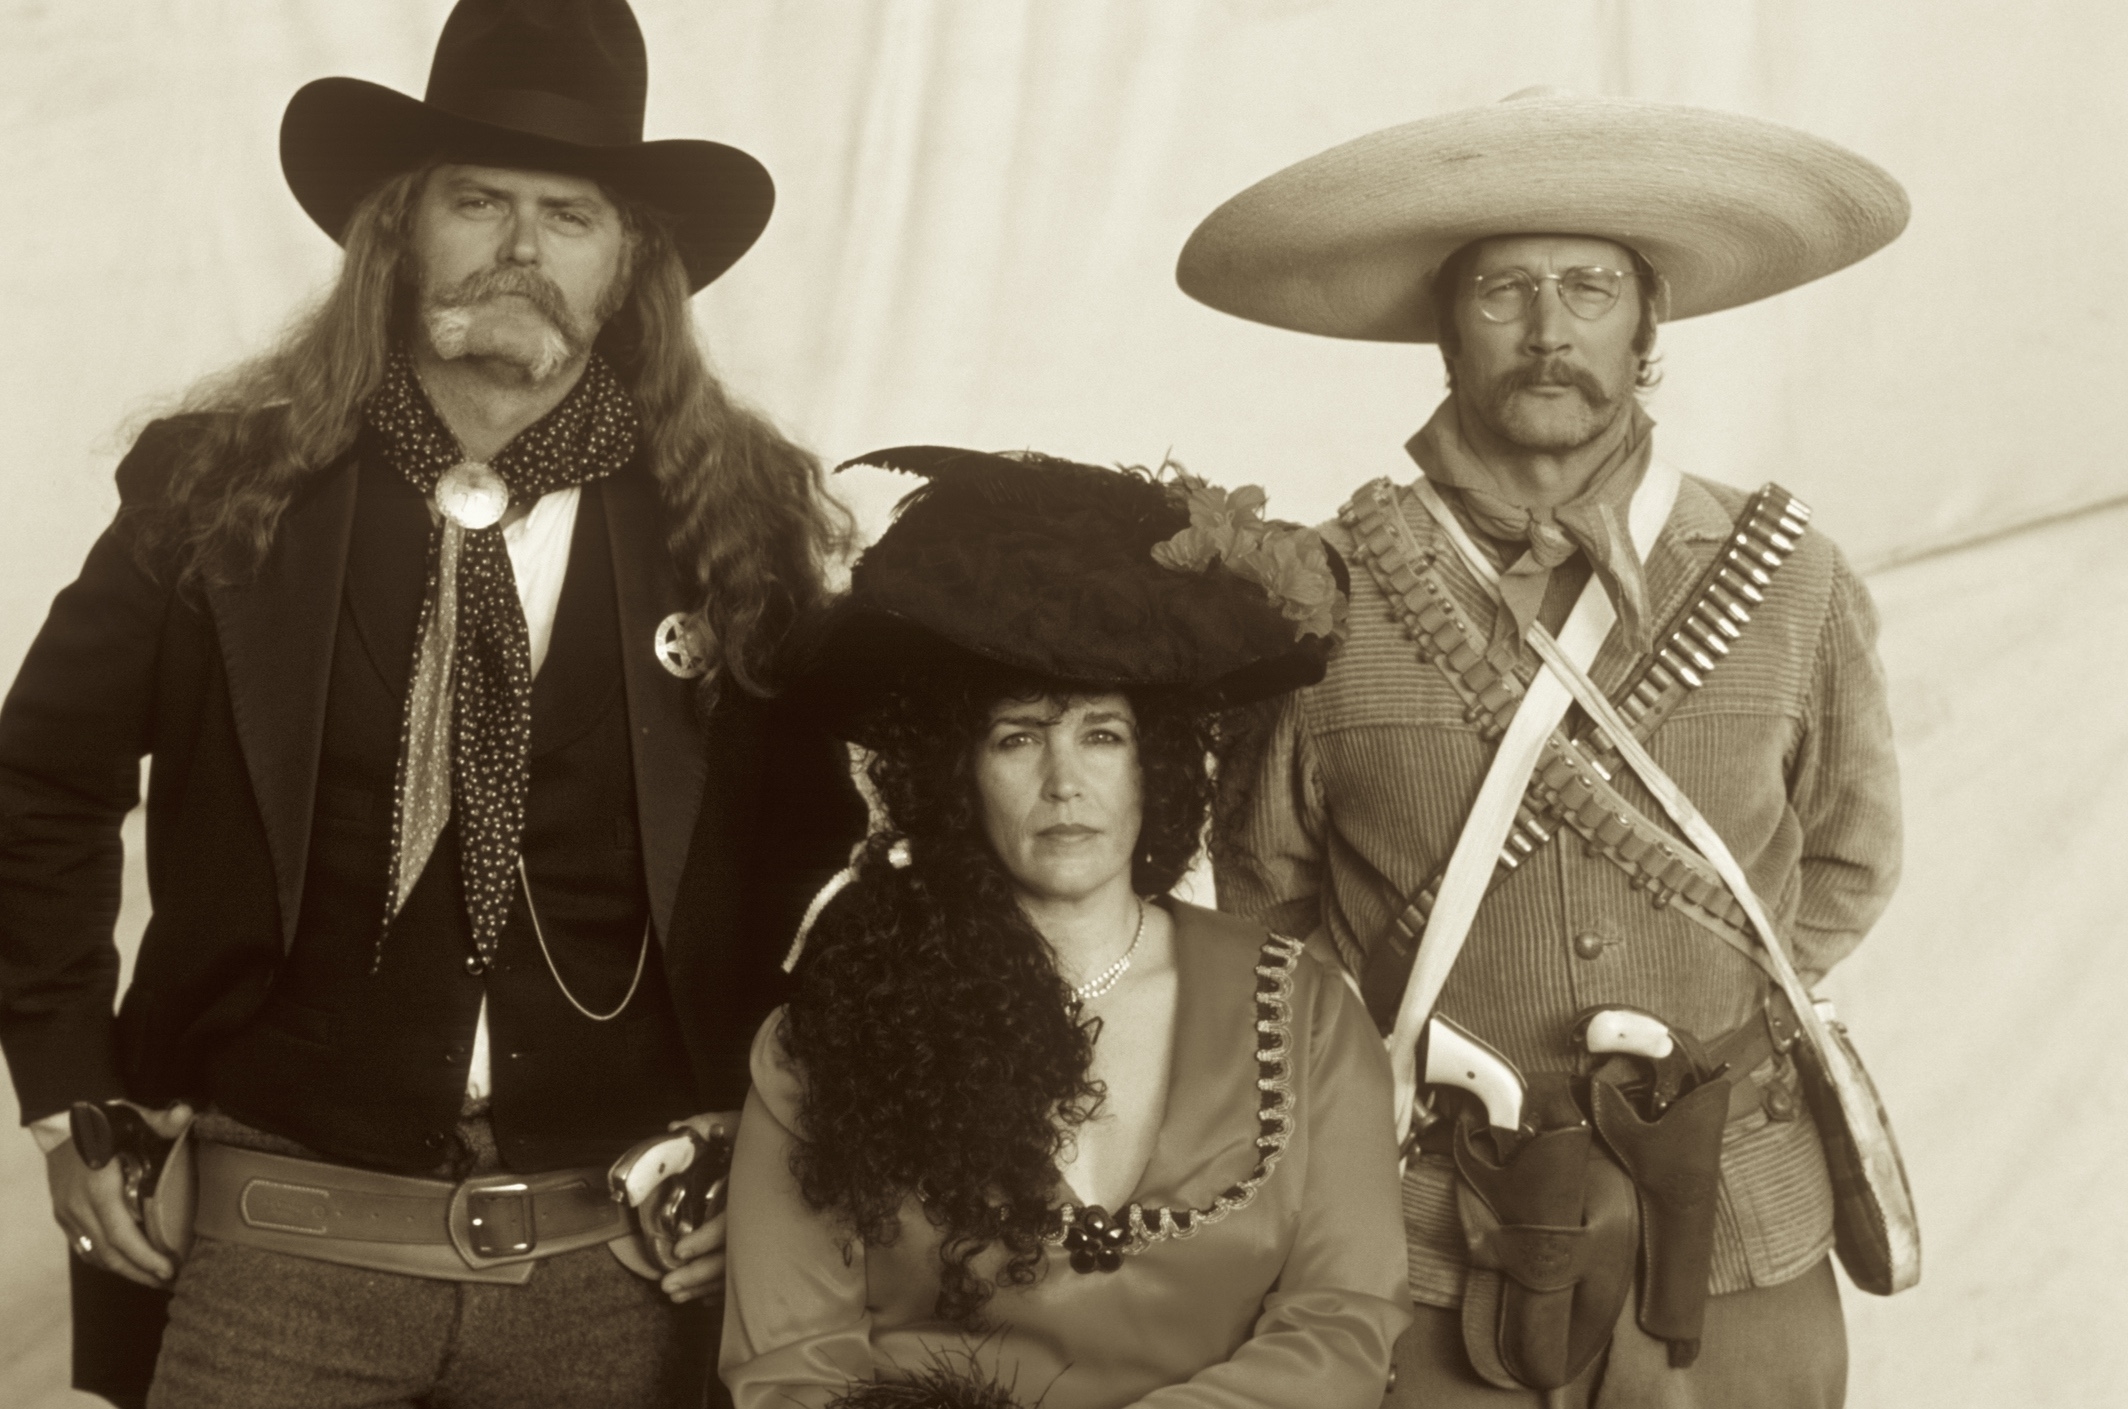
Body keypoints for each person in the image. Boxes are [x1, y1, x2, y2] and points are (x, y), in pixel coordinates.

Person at [0, 2, 863, 1406]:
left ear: (629, 260)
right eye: (480, 201)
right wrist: (66, 1095)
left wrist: (766, 1133)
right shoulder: (217, 490)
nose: (522, 248)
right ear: (400, 232)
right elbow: (36, 781)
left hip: (619, 1255)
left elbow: (817, 856)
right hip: (275, 1237)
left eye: (570, 214)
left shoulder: (738, 520)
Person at [1178, 91, 1912, 1407]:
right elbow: (1267, 902)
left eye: (1588, 288)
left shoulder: (1784, 576)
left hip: (1737, 1204)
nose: (1549, 330)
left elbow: (1851, 857)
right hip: (1430, 1223)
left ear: (1649, 326)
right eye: (1505, 291)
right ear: (1447, 328)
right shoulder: (1324, 592)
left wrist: (1708, 1021)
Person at [719, 446, 1410, 1409]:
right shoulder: (831, 1032)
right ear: (955, 776)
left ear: (1155, 765)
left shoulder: (1309, 1014)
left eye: (1101, 733)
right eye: (1015, 737)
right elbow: (790, 1364)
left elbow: (1343, 1320)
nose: (1063, 782)